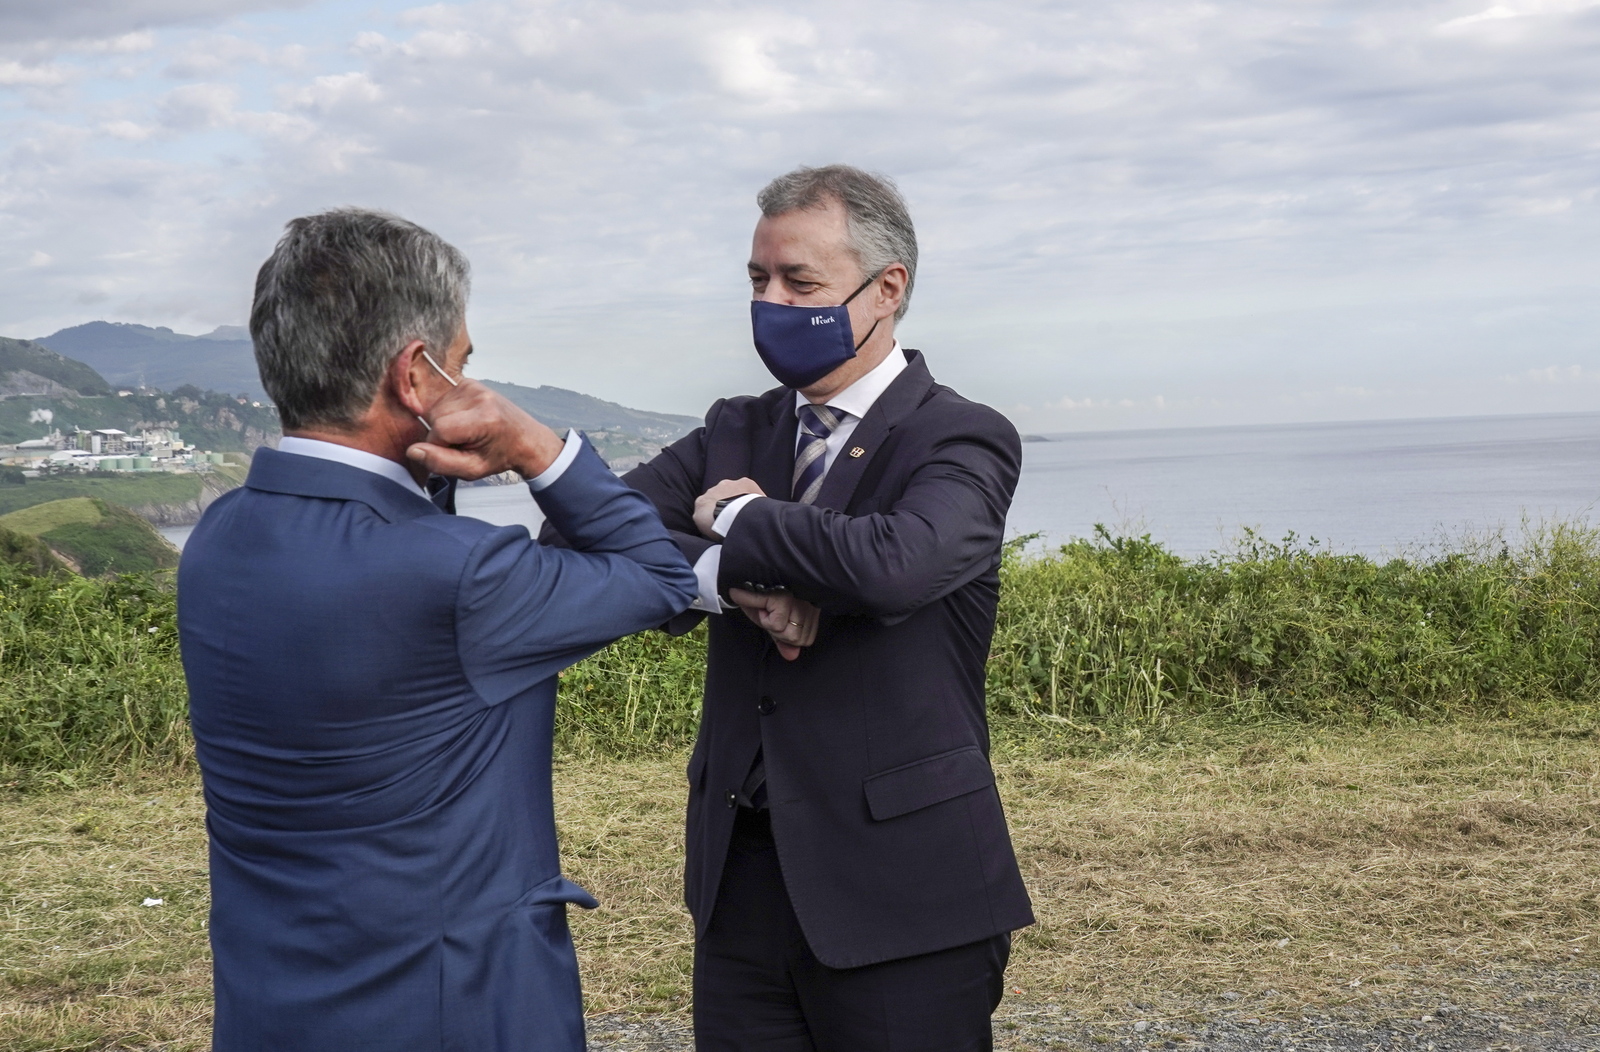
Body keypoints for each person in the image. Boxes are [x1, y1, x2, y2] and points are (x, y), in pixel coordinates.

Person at [177, 208, 698, 1052]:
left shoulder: (219, 535)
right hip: (455, 1005)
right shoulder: (460, 574)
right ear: (413, 376)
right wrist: (537, 450)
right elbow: (658, 577)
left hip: (274, 998)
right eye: (460, 364)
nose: (468, 382)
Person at [621, 165, 1035, 1050]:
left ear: (888, 289)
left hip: (906, 895)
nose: (772, 303)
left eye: (800, 283)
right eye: (757, 281)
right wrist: (732, 582)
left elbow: (897, 563)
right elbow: (591, 541)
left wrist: (738, 515)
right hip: (742, 886)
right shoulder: (735, 428)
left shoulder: (959, 436)